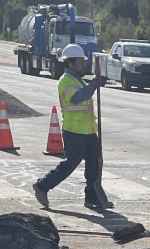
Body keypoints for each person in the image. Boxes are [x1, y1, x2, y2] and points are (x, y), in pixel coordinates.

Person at [32, 43, 109, 210]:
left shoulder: (78, 80)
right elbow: (77, 98)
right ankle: (42, 186)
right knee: (69, 165)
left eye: (83, 62)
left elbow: (85, 96)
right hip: (74, 132)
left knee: (94, 164)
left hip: (88, 130)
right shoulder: (65, 81)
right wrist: (93, 85)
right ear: (70, 64)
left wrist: (93, 84)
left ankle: (92, 197)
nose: (84, 65)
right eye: (81, 63)